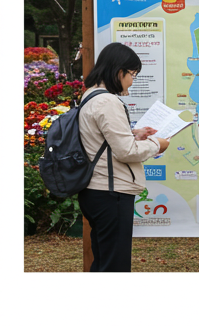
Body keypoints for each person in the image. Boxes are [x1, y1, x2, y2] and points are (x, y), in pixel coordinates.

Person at [78, 43, 169, 272]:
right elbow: (126, 152)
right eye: (133, 75)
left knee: (104, 260)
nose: (132, 81)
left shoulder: (90, 96)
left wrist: (134, 134)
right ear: (120, 72)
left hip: (96, 190)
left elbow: (101, 141)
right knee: (115, 265)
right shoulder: (108, 101)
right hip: (112, 193)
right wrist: (157, 144)